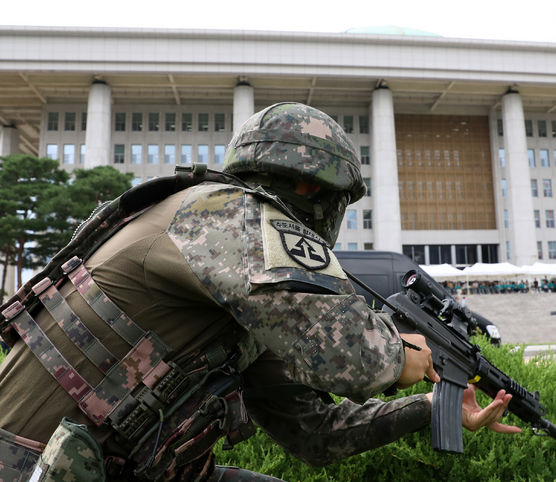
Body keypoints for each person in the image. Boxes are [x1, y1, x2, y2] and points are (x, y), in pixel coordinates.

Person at [0, 103, 519, 481]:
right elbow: (356, 359)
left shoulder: (240, 286)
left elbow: (317, 433)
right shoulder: (225, 214)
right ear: (316, 190)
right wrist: (402, 352)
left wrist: (435, 405)